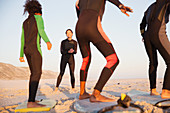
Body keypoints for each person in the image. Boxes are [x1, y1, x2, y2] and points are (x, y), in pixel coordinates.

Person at [75, 0, 133, 102]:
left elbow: (77, 7)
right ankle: (96, 94)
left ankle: (82, 93)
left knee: (86, 59)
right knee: (113, 60)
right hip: (93, 26)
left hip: (79, 27)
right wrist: (120, 6)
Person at [19, 0, 52, 108]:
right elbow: (41, 31)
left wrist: (21, 55)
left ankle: (31, 99)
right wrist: (47, 41)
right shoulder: (38, 18)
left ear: (29, 11)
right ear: (38, 11)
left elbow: (22, 39)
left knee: (33, 73)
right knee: (37, 73)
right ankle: (31, 102)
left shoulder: (24, 22)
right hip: (35, 49)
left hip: (26, 50)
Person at [140, 0, 170, 98]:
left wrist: (143, 35)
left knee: (153, 63)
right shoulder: (167, 2)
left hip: (147, 36)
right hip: (158, 34)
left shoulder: (150, 7)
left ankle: (153, 90)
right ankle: (166, 91)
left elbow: (141, 24)